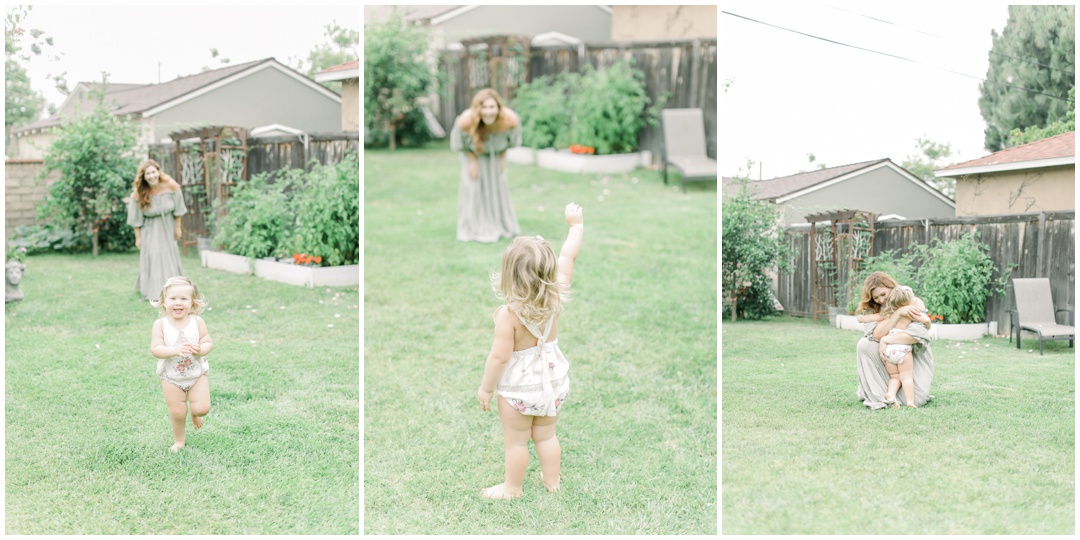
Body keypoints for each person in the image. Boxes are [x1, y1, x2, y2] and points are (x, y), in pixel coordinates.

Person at [477, 202, 584, 499]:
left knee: (516, 442)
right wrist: (575, 226)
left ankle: (513, 488)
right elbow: (568, 254)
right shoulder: (557, 296)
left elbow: (499, 358)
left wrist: (486, 389)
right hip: (554, 382)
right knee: (546, 436)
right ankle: (553, 482)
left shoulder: (507, 316)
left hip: (520, 392)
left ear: (508, 275)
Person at [150, 276, 213, 451]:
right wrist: (175, 350)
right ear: (163, 302)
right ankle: (179, 441)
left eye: (183, 299)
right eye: (173, 299)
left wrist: (200, 350)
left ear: (192, 302)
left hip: (196, 374)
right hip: (171, 376)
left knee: (203, 408)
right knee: (177, 412)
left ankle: (195, 413)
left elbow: (207, 341)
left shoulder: (196, 321)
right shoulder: (160, 324)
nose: (178, 303)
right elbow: (155, 349)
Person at [854, 272, 935, 409]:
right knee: (864, 344)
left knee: (918, 399)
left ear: (892, 288)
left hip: (911, 354)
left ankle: (901, 396)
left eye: (883, 294)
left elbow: (917, 335)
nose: (881, 300)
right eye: (876, 297)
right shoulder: (875, 309)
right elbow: (876, 336)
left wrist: (887, 339)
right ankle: (880, 393)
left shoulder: (912, 302)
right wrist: (897, 313)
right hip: (888, 357)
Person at [451, 88, 522, 243]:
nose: (488, 112)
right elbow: (459, 145)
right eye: (484, 107)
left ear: (498, 107)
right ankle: (474, 226)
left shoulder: (509, 120)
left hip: (496, 158)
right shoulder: (466, 120)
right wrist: (473, 162)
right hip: (473, 157)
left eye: (492, 107)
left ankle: (499, 224)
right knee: (473, 189)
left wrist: (502, 158)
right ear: (478, 108)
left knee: (497, 188)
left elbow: (512, 142)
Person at [127, 159, 187, 302]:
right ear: (144, 176)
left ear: (158, 172)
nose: (152, 176)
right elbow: (136, 218)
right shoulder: (139, 193)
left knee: (169, 257)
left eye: (153, 172)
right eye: (148, 173)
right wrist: (138, 237)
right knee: (154, 258)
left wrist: (178, 227)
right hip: (150, 229)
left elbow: (179, 208)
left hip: (168, 227)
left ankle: (173, 290)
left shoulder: (172, 186)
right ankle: (154, 291)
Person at [879, 286, 918, 408]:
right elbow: (922, 323)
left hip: (889, 349)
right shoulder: (911, 312)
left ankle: (891, 394)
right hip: (902, 349)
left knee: (895, 377)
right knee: (906, 378)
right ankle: (910, 401)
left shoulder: (891, 314)